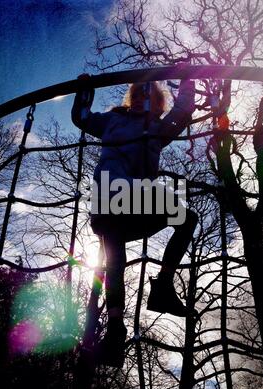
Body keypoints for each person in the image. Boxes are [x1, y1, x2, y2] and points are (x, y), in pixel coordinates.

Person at [72, 76, 198, 367]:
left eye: (148, 93)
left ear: (155, 101)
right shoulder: (112, 120)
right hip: (108, 198)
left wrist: (187, 79)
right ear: (131, 97)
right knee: (113, 250)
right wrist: (84, 90)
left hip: (139, 201)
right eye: (138, 92)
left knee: (186, 217)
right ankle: (115, 329)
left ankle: (163, 287)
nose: (142, 96)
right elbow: (81, 117)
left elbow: (183, 110)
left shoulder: (158, 127)